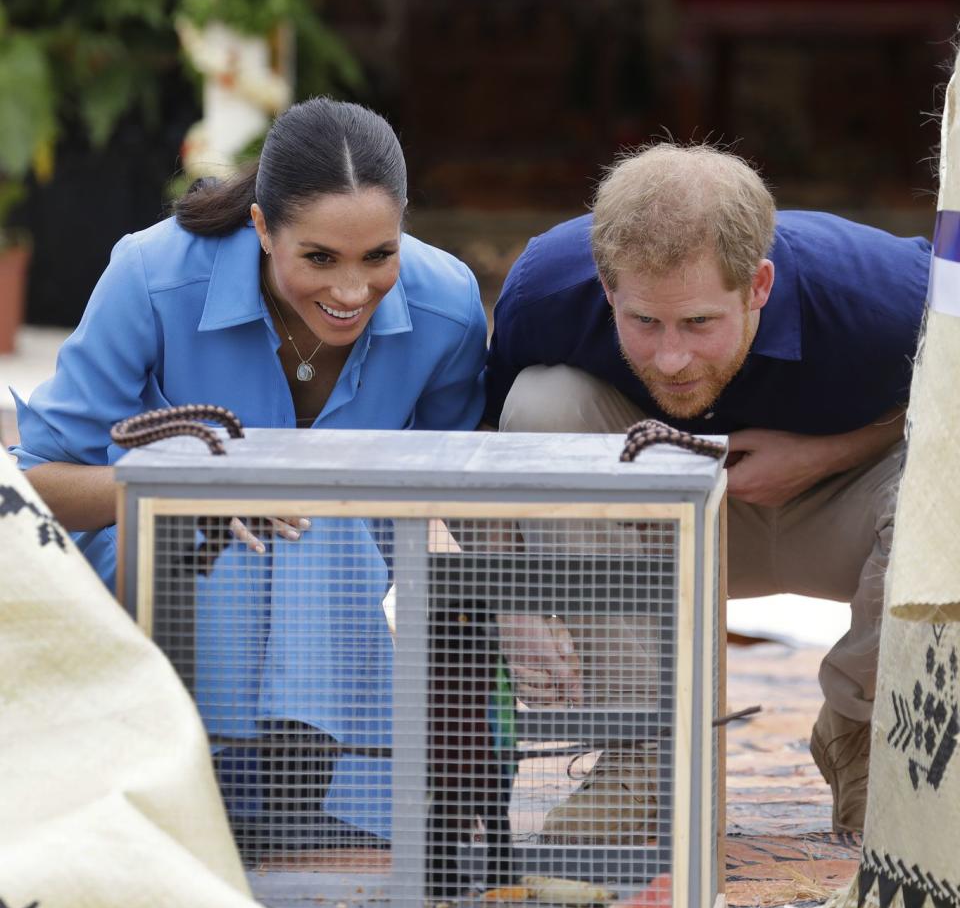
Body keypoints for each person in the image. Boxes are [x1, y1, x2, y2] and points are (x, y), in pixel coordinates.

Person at [10, 97, 488, 849]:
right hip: (160, 562)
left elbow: (459, 502)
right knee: (273, 521)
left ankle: (279, 803)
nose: (353, 291)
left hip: (344, 584)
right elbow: (35, 485)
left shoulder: (450, 305)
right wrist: (192, 493)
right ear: (263, 227)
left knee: (320, 513)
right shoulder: (151, 271)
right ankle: (278, 808)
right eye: (320, 258)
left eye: (380, 255)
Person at [485, 142, 930, 838]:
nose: (671, 357)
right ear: (607, 287)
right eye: (643, 321)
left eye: (698, 323)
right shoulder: (543, 289)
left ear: (758, 285)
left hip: (840, 508)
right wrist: (509, 597)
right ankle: (638, 757)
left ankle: (862, 733)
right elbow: (482, 450)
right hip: (655, 516)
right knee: (540, 403)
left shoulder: (889, 293)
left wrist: (826, 455)